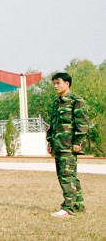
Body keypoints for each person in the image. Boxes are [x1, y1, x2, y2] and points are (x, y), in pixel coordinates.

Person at [46, 72, 89, 217]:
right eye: (54, 83)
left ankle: (68, 209)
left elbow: (82, 123)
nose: (55, 86)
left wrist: (78, 142)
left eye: (58, 83)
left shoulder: (76, 101)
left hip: (69, 145)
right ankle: (78, 205)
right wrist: (50, 142)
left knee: (66, 176)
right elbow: (53, 124)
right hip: (58, 145)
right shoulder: (56, 103)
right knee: (69, 176)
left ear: (67, 83)